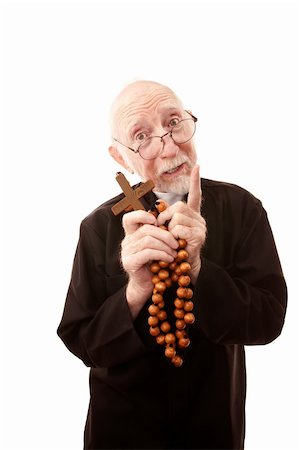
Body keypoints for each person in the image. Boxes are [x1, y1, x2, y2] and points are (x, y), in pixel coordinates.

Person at [57, 80, 287, 450]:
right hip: (118, 430)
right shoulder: (98, 226)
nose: (167, 144)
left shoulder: (243, 208)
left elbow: (268, 322)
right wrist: (135, 289)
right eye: (142, 135)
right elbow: (83, 343)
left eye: (174, 122)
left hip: (212, 427)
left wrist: (197, 266)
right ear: (121, 157)